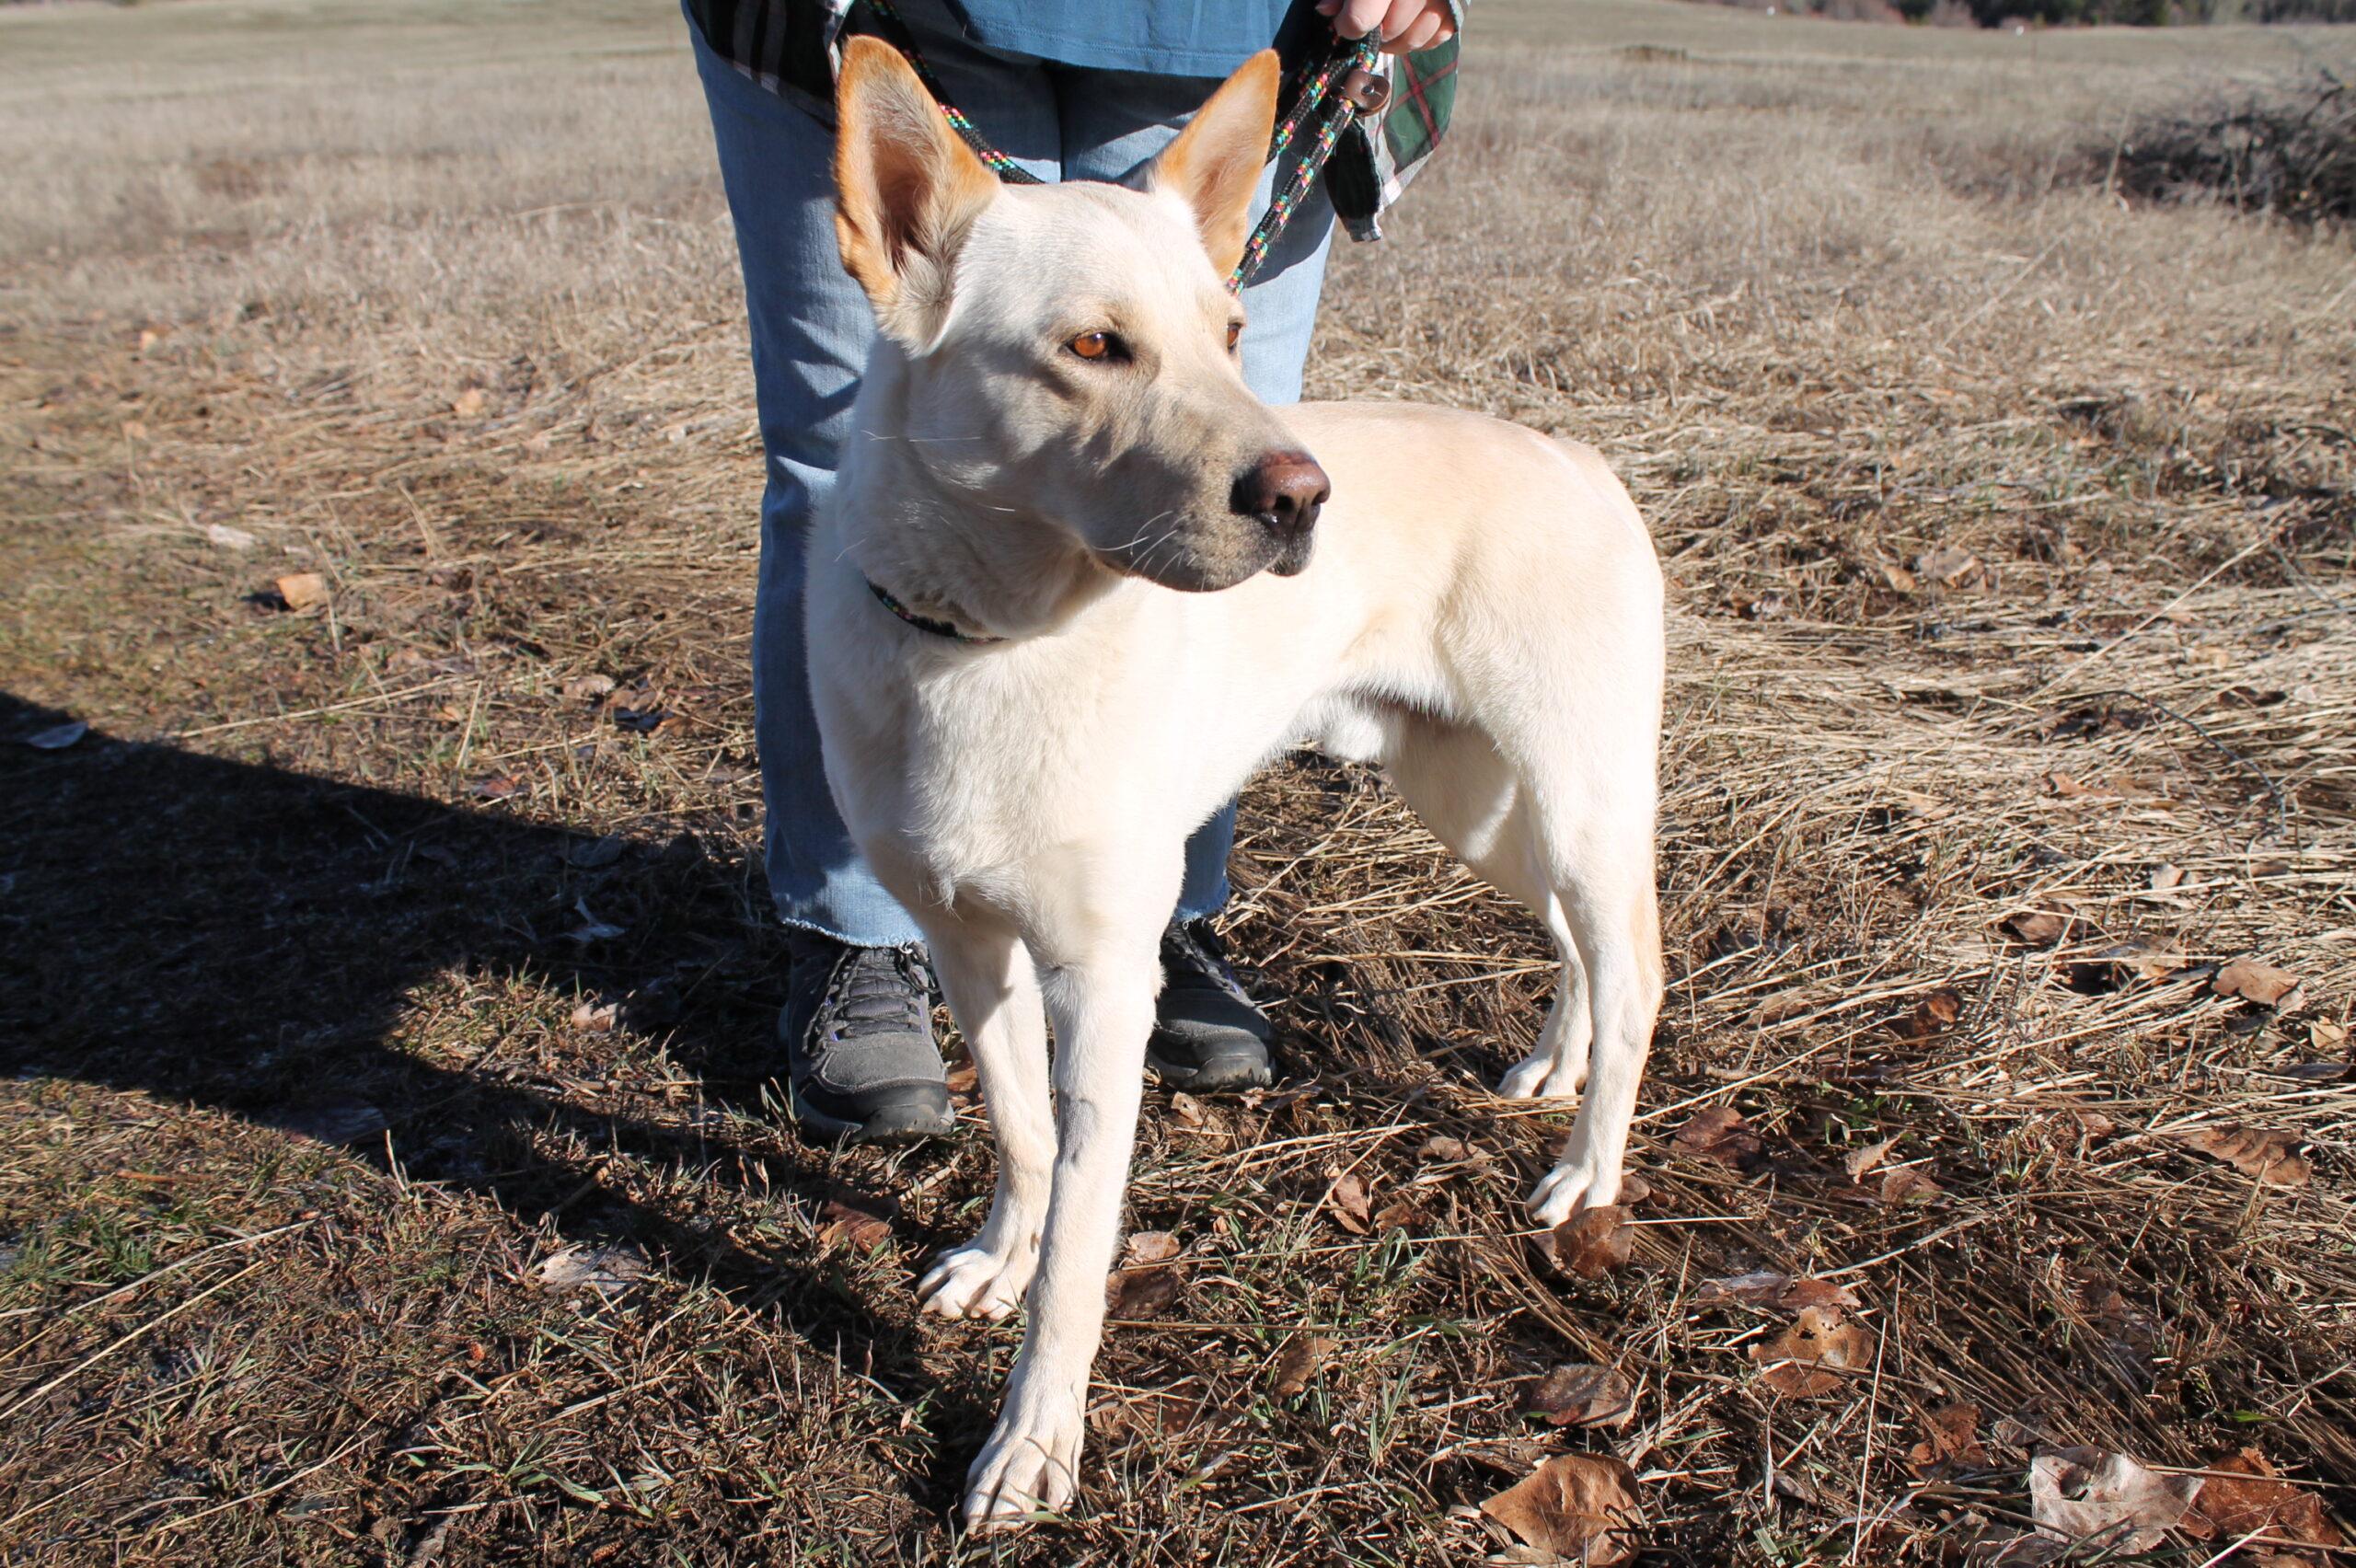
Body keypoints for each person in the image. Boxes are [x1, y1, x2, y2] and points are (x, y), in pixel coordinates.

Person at [686, 0, 1459, 1141]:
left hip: (1219, 12)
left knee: (1205, 495)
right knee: (847, 464)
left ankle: (1146, 910)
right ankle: (867, 933)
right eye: (1099, 344)